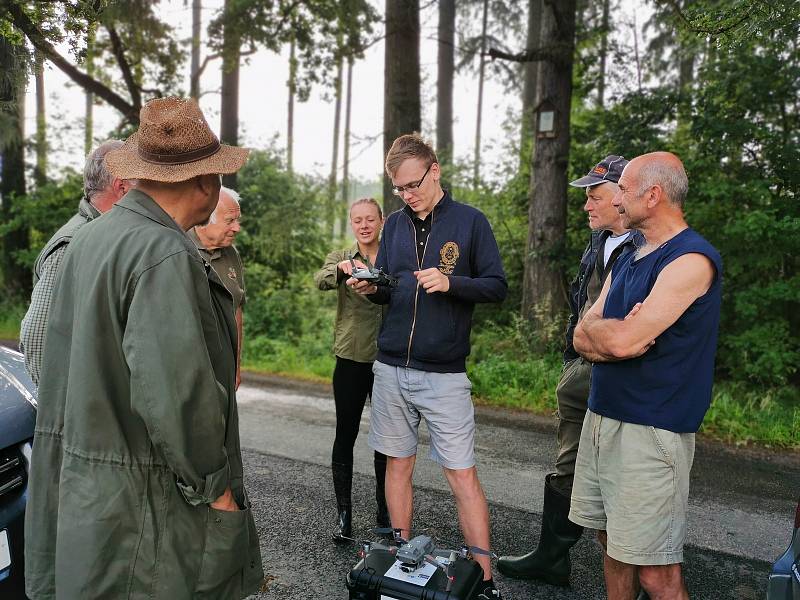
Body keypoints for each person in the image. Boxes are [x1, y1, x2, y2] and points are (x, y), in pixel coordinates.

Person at [24, 97, 264, 600]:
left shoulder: (92, 237)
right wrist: (217, 489)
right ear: (204, 182)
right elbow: (177, 393)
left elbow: (47, 350)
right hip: (142, 500)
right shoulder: (163, 251)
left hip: (92, 490)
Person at [350, 133, 508, 600]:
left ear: (435, 170)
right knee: (396, 467)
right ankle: (401, 567)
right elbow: (393, 288)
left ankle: (485, 578)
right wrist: (371, 288)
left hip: (444, 374)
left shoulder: (471, 222)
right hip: (391, 367)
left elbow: (496, 286)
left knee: (461, 474)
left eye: (413, 184)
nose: (407, 194)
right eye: (399, 188)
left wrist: (451, 282)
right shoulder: (395, 226)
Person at [570, 152, 722, 600]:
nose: (617, 199)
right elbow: (583, 334)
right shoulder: (630, 256)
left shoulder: (692, 259)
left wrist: (612, 337)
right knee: (611, 544)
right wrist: (614, 334)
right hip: (602, 417)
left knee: (657, 573)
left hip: (652, 431)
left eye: (625, 189)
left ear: (653, 195)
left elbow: (617, 343)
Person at [498, 155, 640, 586]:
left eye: (594, 196)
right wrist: (570, 363)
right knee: (568, 465)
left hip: (619, 380)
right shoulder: (599, 242)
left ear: (622, 195)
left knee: (617, 479)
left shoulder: (651, 247)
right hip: (581, 373)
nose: (586, 206)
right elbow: (581, 305)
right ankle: (551, 557)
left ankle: (644, 576)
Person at [19, 140, 128, 386]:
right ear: (121, 188)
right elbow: (38, 337)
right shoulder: (73, 244)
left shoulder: (107, 235)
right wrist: (61, 413)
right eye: (141, 185)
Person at [313, 198, 390, 542]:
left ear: (381, 221)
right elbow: (320, 280)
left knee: (387, 440)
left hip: (388, 358)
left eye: (369, 219)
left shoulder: (393, 254)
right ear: (351, 224)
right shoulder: (342, 256)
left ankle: (385, 514)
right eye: (357, 220)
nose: (363, 225)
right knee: (346, 433)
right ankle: (344, 516)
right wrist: (342, 271)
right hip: (351, 357)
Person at [192, 186, 246, 389]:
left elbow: (236, 308)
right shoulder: (177, 247)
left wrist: (235, 367)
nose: (237, 228)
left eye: (237, 220)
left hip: (222, 367)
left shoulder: (231, 253)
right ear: (205, 217)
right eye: (230, 221)